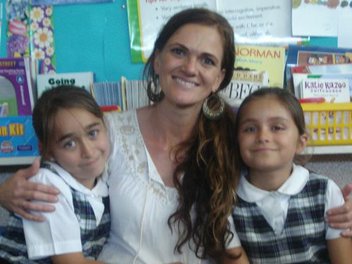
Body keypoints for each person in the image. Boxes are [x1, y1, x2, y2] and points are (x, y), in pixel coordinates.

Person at [0, 7, 352, 264]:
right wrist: (5, 192)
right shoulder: (106, 132)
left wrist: (341, 205)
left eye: (207, 61)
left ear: (219, 78)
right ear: (157, 60)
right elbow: (57, 187)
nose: (189, 68)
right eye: (179, 52)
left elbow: (287, 180)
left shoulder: (238, 136)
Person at [232, 87, 352, 263]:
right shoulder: (226, 200)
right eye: (250, 129)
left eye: (277, 127)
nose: (263, 136)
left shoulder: (324, 191)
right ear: (237, 140)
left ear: (301, 142)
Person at [0, 86, 111, 264]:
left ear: (106, 127)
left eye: (92, 133)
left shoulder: (105, 177)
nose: (88, 151)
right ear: (48, 152)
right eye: (69, 144)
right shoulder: (48, 185)